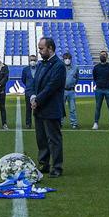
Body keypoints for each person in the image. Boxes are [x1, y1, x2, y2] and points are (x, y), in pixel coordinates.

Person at [26, 36, 67, 177]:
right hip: (39, 107)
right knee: (41, 138)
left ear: (50, 48)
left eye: (41, 48)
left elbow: (52, 87)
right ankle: (43, 163)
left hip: (51, 108)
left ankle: (57, 167)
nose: (39, 51)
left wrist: (37, 99)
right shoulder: (41, 64)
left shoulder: (59, 65)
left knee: (53, 139)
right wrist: (32, 96)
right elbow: (33, 82)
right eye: (39, 48)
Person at [89, 50, 109, 129]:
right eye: (101, 55)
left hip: (108, 89)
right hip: (99, 89)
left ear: (106, 56)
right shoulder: (96, 67)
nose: (102, 56)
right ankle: (96, 123)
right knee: (98, 107)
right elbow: (95, 77)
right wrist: (99, 83)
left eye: (104, 55)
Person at [61, 50, 79, 129]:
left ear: (71, 59)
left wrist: (73, 85)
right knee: (61, 108)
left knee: (72, 108)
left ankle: (74, 123)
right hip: (62, 91)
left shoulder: (75, 68)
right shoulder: (60, 68)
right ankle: (60, 122)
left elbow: (77, 78)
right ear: (63, 59)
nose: (67, 60)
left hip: (71, 91)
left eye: (68, 58)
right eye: (65, 58)